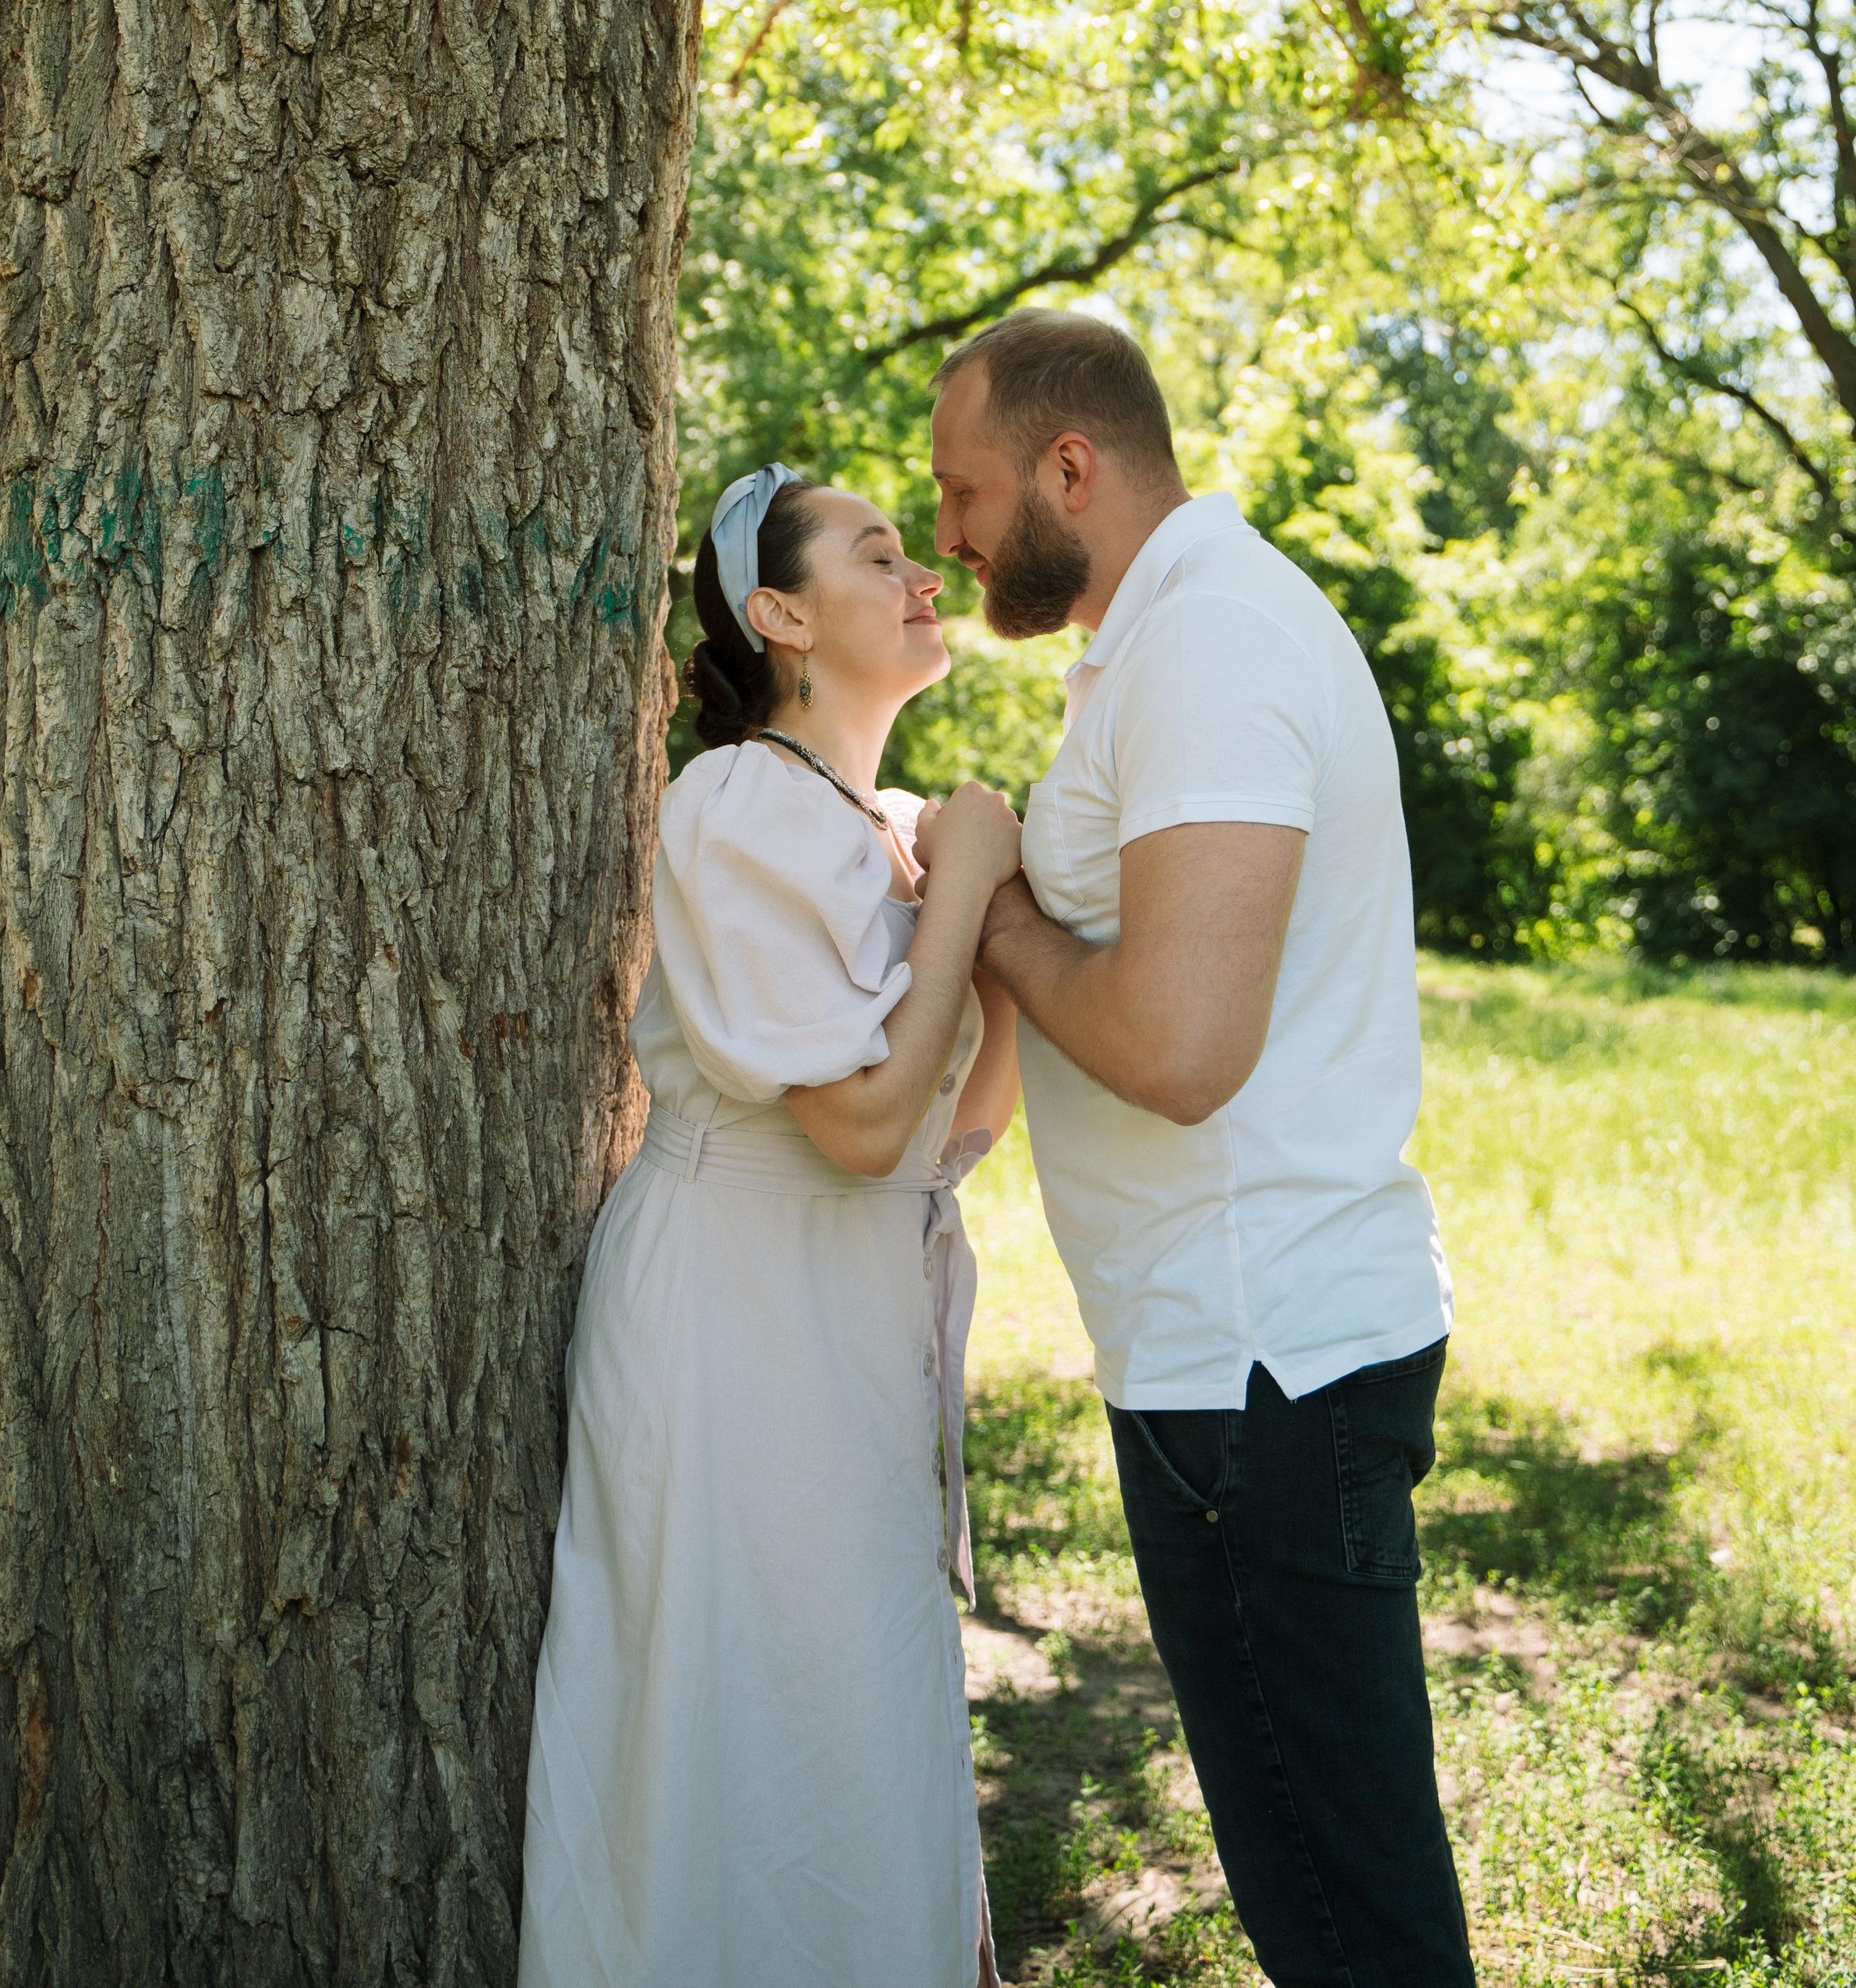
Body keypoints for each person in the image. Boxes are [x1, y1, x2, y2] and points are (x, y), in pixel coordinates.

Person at [930, 308, 1475, 1988]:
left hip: (1261, 1372)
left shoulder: (1211, 647)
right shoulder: (1164, 639)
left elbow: (1177, 1047)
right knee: (1326, 1889)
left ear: (1067, 468)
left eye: (959, 490)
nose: (945, 533)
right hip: (1233, 1359)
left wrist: (995, 909)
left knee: (1345, 1918)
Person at [517, 464, 1022, 1988]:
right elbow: (858, 1124)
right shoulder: (736, 802)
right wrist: (965, 896)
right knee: (727, 1728)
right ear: (780, 613)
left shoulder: (877, 822)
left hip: (843, 1309)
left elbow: (947, 1138)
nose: (923, 569)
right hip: (728, 1310)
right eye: (877, 555)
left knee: (855, 1717)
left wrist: (972, 917)